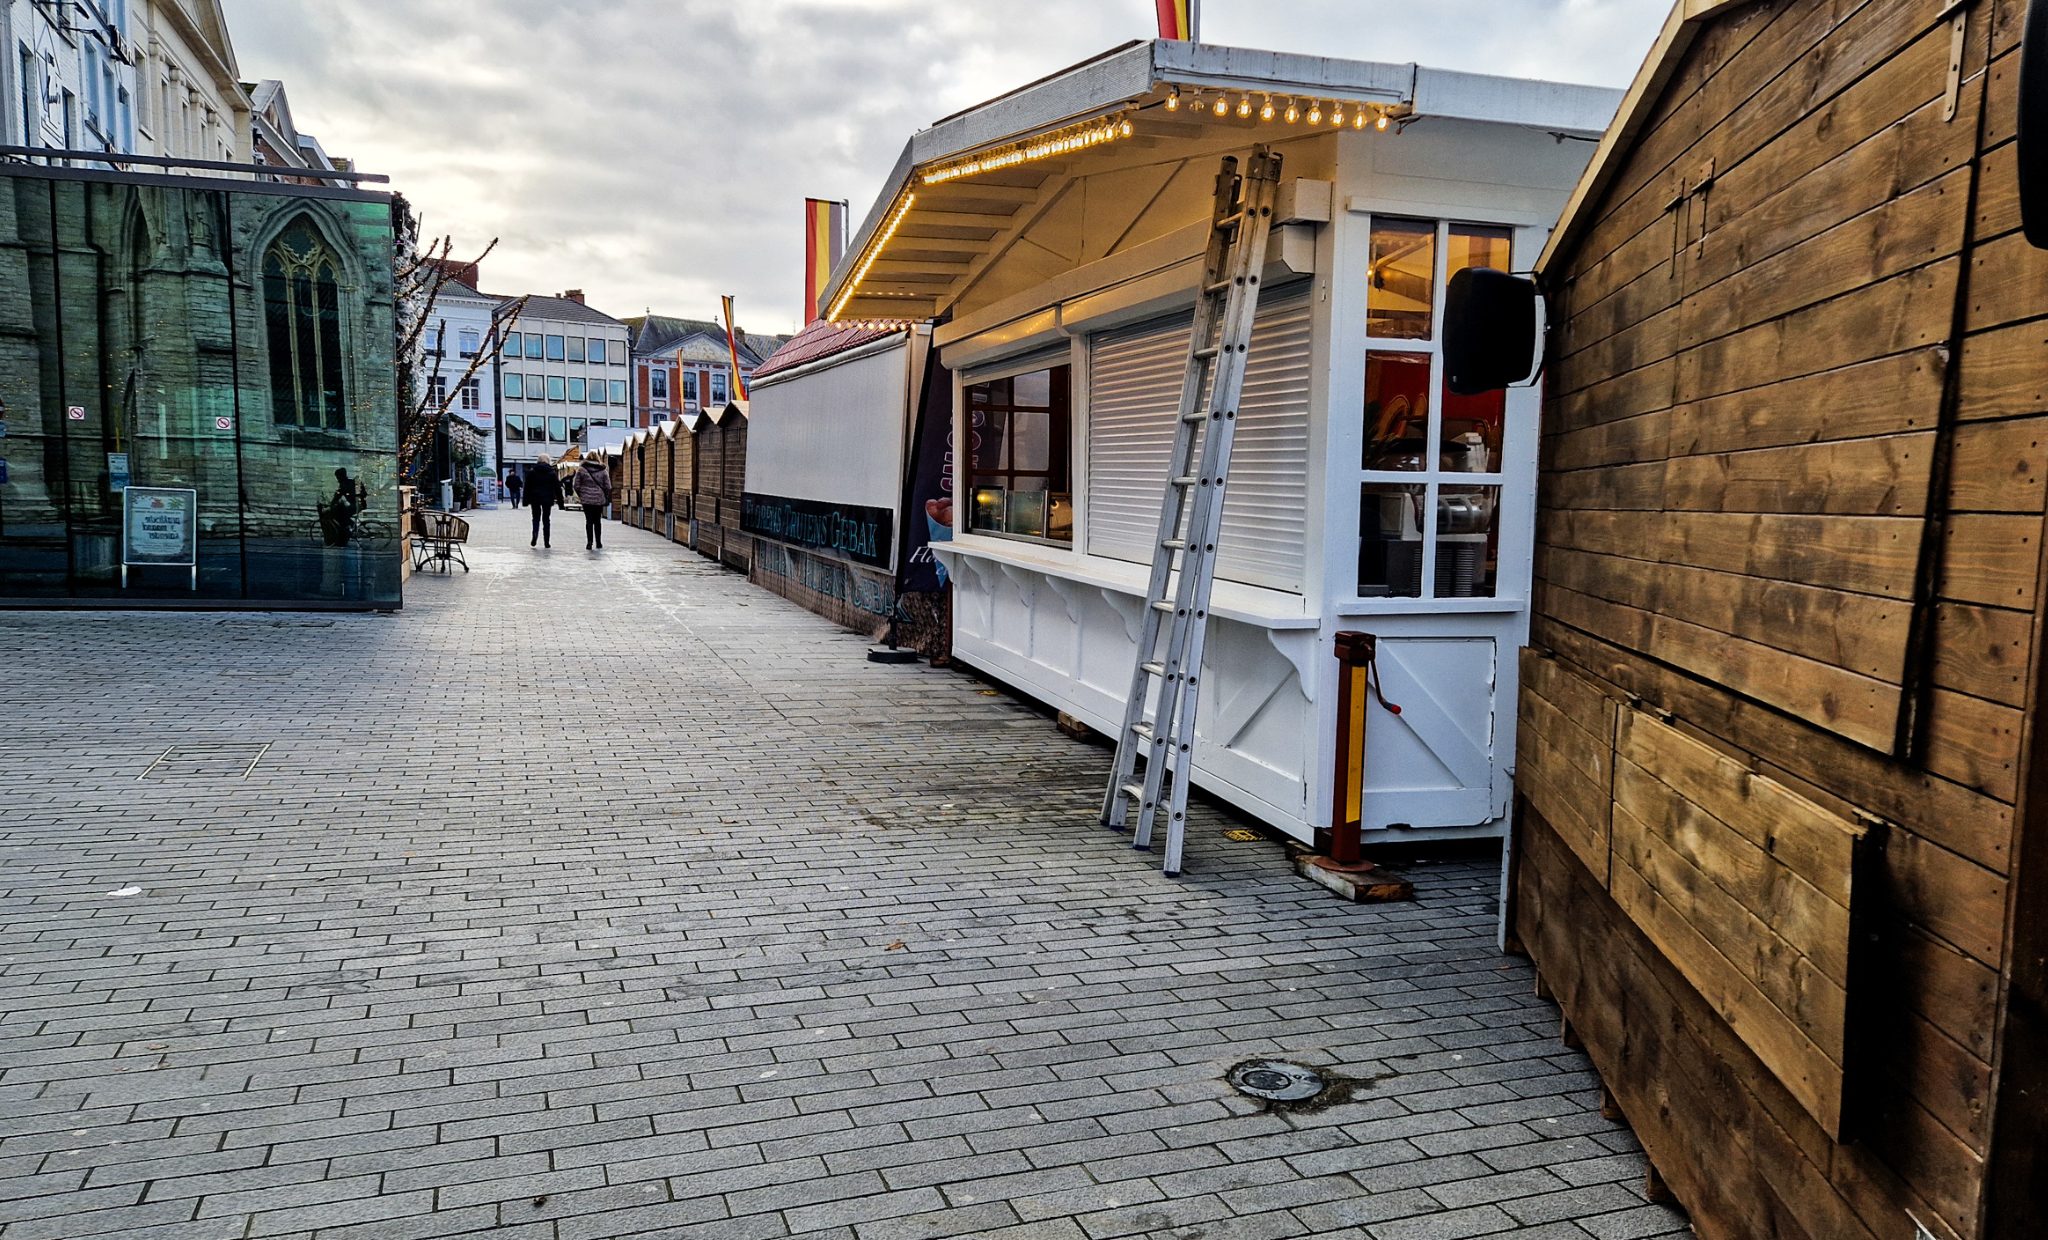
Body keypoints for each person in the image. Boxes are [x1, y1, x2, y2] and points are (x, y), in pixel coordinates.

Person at [573, 455, 613, 550]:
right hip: (599, 499)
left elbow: (576, 485)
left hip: (586, 499)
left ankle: (589, 542)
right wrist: (605, 495)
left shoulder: (582, 470)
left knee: (589, 521)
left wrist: (581, 495)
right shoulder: (603, 470)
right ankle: (598, 542)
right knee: (597, 521)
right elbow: (608, 486)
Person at [524, 455, 562, 548]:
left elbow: (527, 487)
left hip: (535, 498)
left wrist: (525, 501)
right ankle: (546, 541)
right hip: (547, 498)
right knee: (546, 519)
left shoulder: (532, 472)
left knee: (536, 518)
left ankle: (535, 534)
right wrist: (561, 503)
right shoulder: (552, 473)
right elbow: (557, 488)